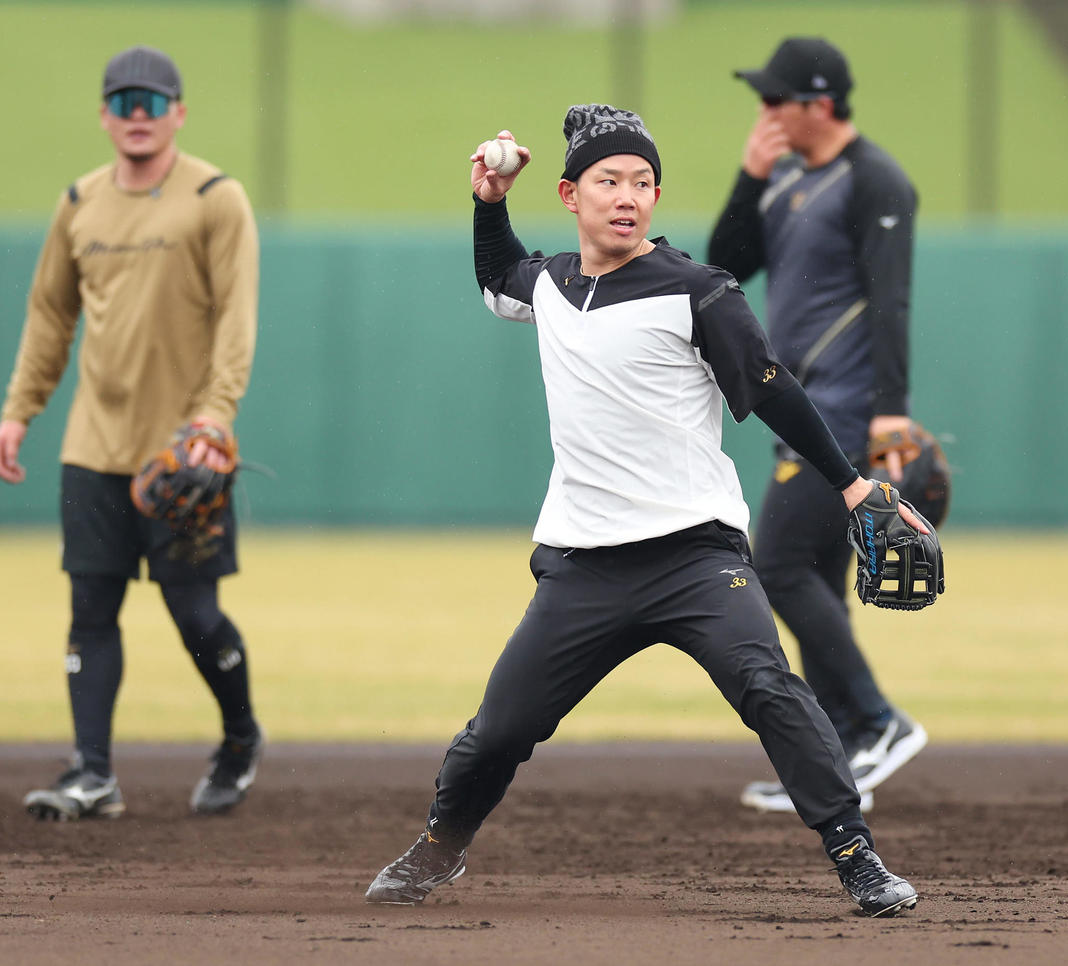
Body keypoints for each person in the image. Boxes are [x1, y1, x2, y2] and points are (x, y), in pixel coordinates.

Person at [364, 105, 921, 917]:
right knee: (499, 730)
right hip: (583, 566)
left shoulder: (698, 291)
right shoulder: (553, 285)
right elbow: (497, 278)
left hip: (696, 559)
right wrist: (489, 203)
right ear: (570, 194)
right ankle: (439, 847)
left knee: (769, 687)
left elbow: (772, 389)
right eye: (609, 181)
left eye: (643, 182)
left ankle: (857, 856)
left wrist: (850, 485)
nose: (628, 196)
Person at [0, 45, 264, 820]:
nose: (137, 115)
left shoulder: (214, 198)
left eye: (152, 102)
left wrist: (214, 418)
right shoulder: (79, 202)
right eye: (122, 101)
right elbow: (51, 315)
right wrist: (19, 409)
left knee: (195, 615)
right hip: (94, 448)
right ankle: (92, 773)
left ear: (178, 113)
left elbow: (236, 318)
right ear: (105, 115)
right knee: (90, 612)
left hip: (184, 452)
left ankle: (240, 738)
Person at [707, 37, 927, 815]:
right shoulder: (787, 177)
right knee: (816, 580)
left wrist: (892, 412)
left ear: (821, 103)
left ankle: (878, 720)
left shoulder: (875, 178)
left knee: (777, 565)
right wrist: (750, 175)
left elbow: (891, 299)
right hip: (804, 401)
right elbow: (725, 263)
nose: (765, 110)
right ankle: (840, 761)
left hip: (848, 406)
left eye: (777, 99)